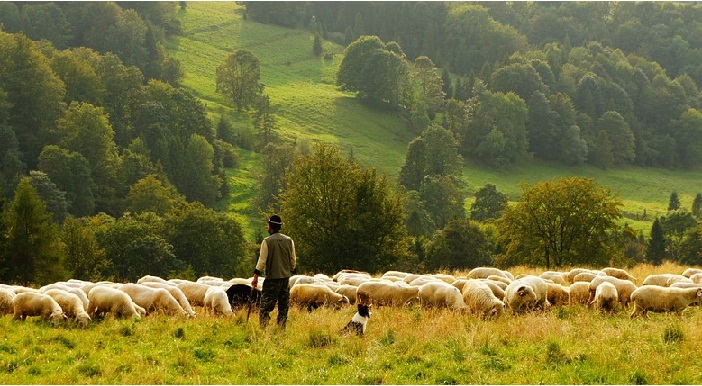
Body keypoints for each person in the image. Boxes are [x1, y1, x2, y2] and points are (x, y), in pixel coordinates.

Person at [251, 214, 297, 328]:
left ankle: (264, 329)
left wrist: (256, 276)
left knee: (265, 307)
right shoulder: (289, 240)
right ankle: (281, 329)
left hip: (272, 279)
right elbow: (293, 259)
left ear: (270, 226)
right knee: (283, 307)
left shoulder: (266, 241)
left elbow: (262, 261)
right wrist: (292, 270)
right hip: (285, 279)